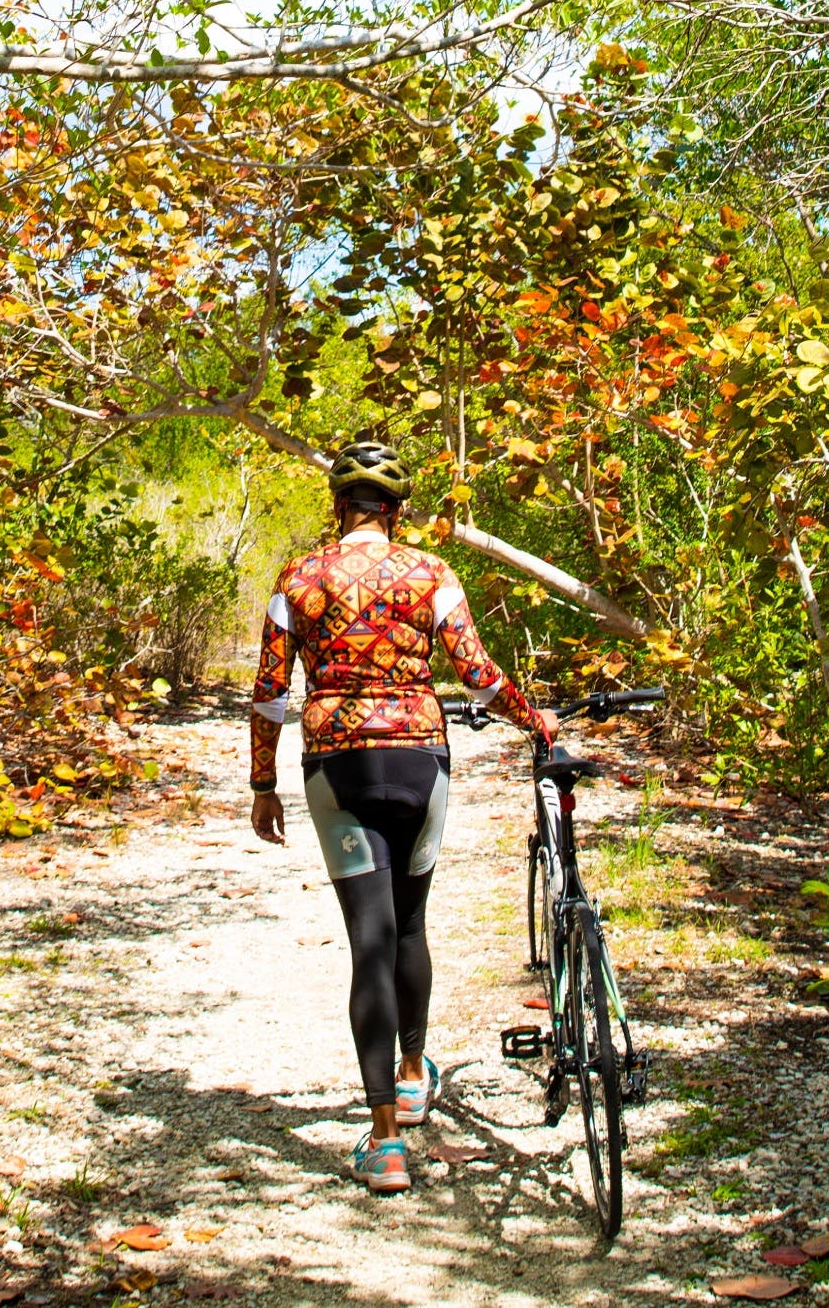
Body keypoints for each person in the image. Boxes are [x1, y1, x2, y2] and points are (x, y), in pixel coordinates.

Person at [248, 441, 555, 1194]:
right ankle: (415, 1074)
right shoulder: (432, 573)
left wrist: (263, 782)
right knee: (410, 926)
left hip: (336, 762)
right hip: (421, 759)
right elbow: (476, 674)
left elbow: (268, 692)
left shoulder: (298, 576)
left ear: (337, 506)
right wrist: (534, 722)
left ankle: (384, 1141)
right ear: (396, 512)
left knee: (368, 940)